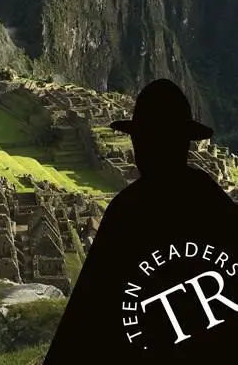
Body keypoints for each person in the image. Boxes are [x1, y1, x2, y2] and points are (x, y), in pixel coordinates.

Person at [43, 79, 238, 363]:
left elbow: (91, 312)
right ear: (186, 142)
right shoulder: (210, 198)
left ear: (140, 142)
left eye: (143, 139)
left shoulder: (129, 211)